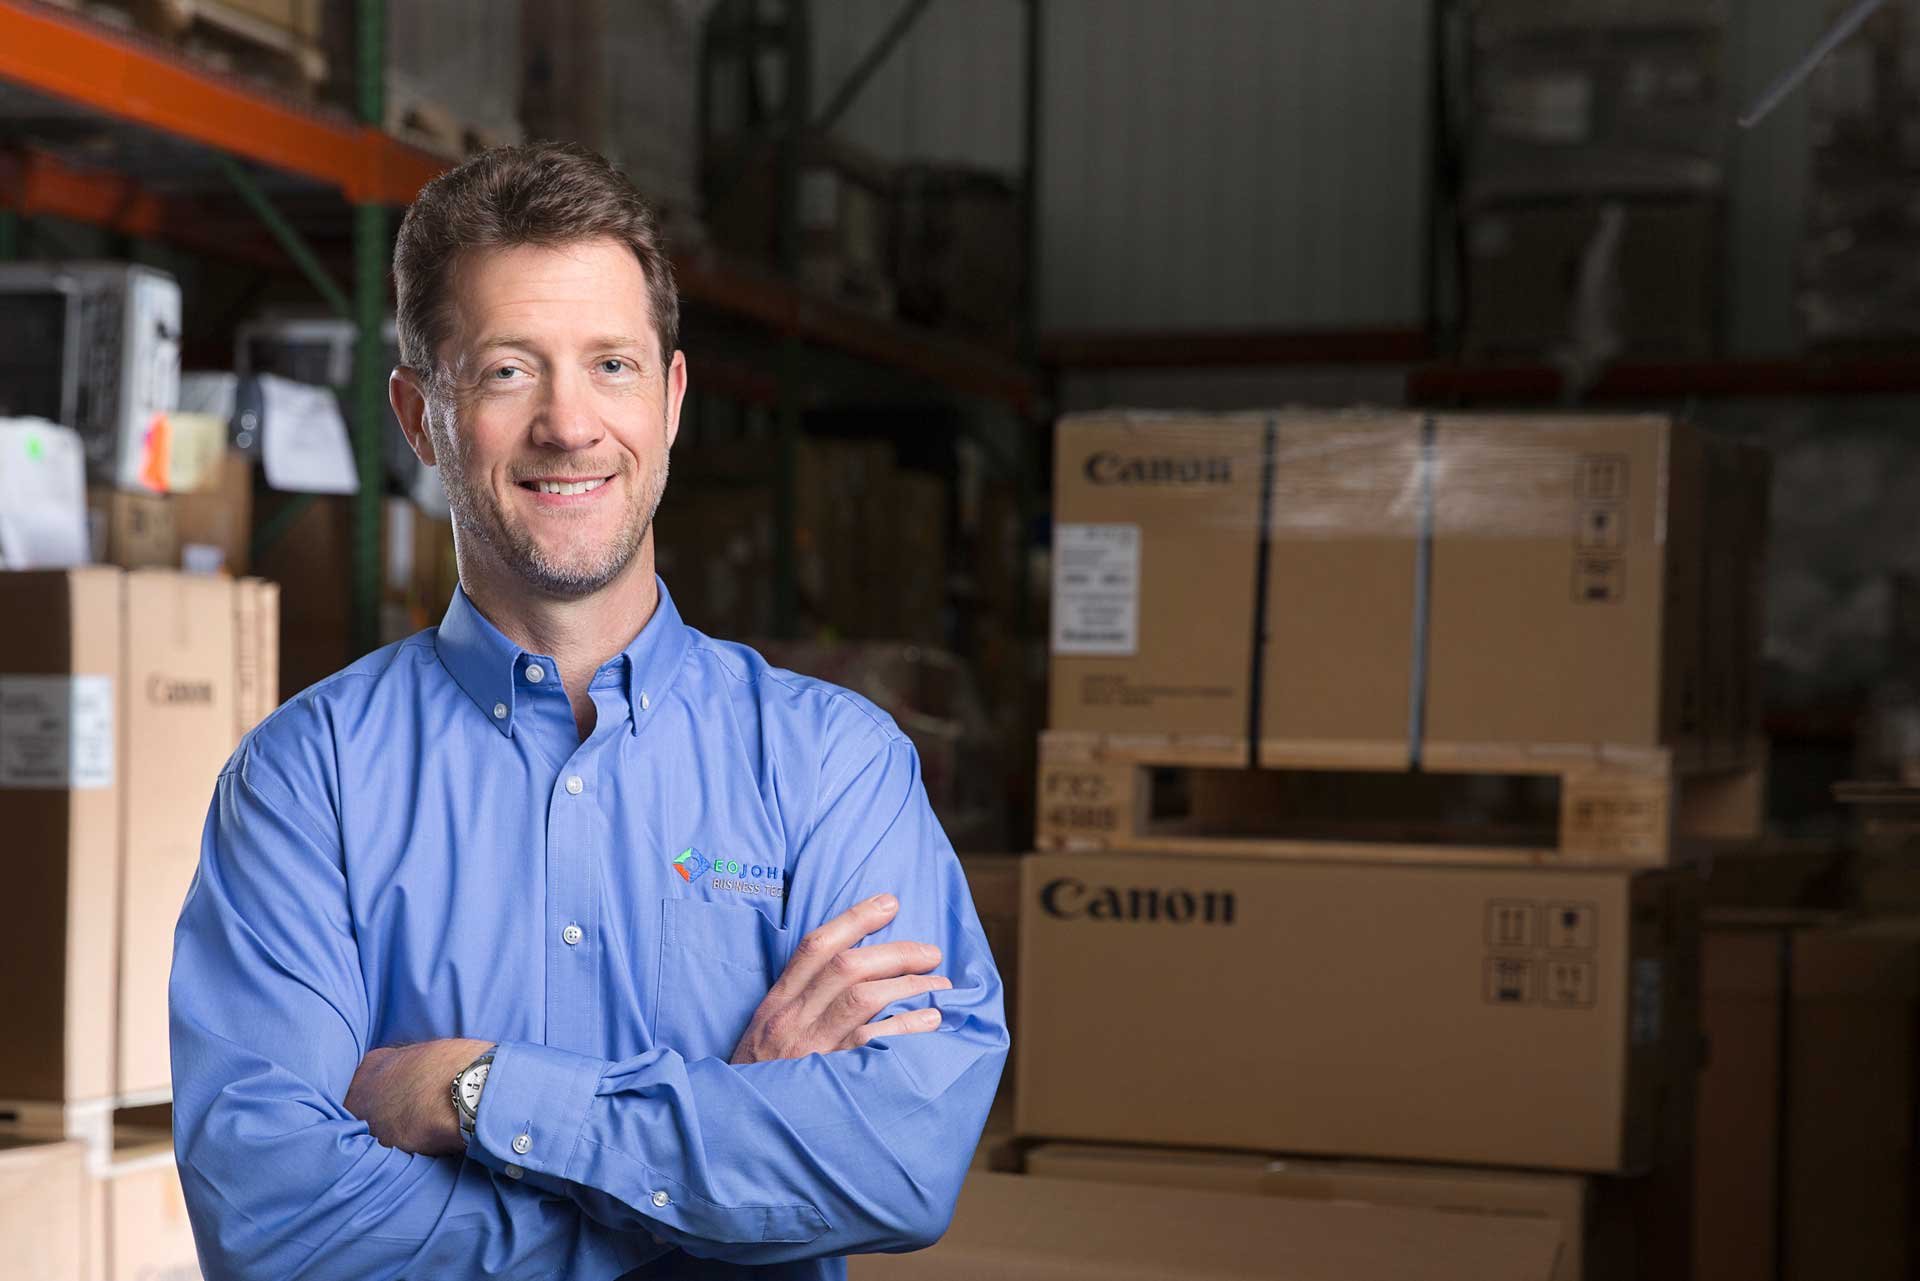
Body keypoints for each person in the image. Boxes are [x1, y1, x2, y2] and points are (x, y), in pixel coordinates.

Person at [169, 141, 1008, 1280]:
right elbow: (282, 1231)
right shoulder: (303, 784)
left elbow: (899, 1163)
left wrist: (475, 1095)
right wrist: (715, 1162)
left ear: (668, 400)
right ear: (422, 417)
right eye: (509, 371)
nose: (571, 425)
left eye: (610, 365)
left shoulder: (833, 768)